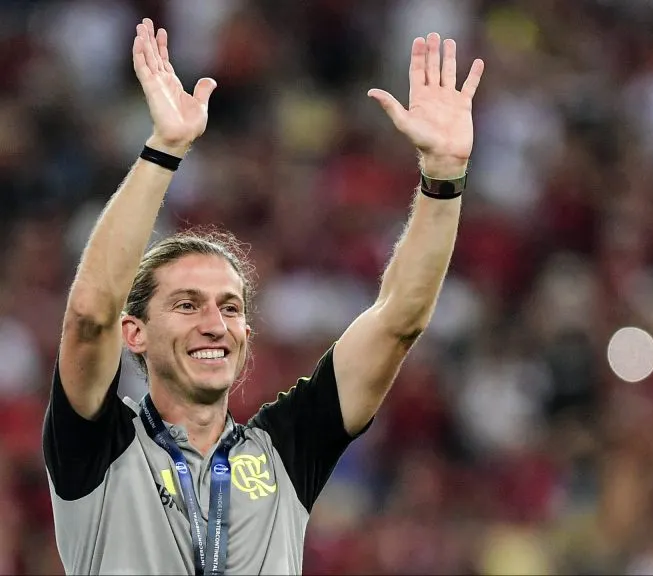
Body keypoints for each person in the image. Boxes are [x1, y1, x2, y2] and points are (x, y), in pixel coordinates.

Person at [42, 18, 484, 575]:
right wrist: (164, 150)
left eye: (230, 308)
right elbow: (88, 317)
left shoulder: (285, 450)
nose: (214, 323)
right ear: (135, 332)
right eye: (186, 304)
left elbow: (398, 321)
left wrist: (443, 178)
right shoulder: (98, 447)